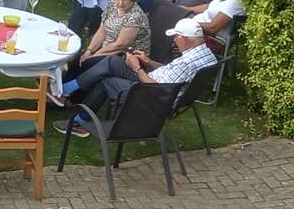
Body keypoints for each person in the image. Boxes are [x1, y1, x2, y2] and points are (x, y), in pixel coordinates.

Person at [55, 17, 219, 129]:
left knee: (106, 82)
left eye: (176, 37)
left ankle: (78, 122)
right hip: (158, 85)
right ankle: (67, 89)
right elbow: (173, 73)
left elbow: (158, 89)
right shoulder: (206, 55)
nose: (175, 41)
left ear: (184, 39)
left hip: (150, 95)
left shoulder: (186, 62)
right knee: (112, 62)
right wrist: (148, 62)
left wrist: (137, 68)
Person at [62, 0, 149, 84]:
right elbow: (102, 30)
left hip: (127, 56)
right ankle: (59, 90)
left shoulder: (135, 16)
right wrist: (89, 50)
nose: (120, 3)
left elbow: (120, 45)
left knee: (89, 64)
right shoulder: (111, 6)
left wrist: (96, 54)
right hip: (107, 49)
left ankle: (70, 96)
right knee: (79, 59)